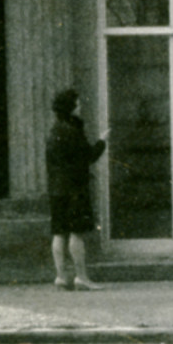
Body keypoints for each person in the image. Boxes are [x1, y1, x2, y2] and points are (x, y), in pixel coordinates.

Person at [46, 88, 106, 290]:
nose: (80, 106)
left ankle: (61, 277)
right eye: (77, 103)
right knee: (76, 233)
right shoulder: (73, 131)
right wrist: (102, 142)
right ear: (71, 108)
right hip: (74, 188)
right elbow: (88, 156)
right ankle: (82, 277)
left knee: (59, 232)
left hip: (56, 189)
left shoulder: (54, 131)